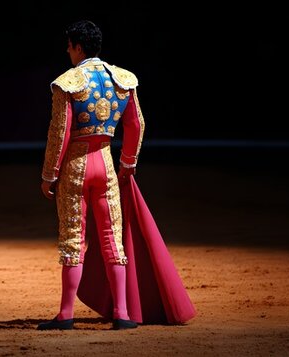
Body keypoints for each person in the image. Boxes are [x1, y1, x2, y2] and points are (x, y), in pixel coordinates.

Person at [37, 20, 196, 330]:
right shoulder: (122, 80)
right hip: (106, 165)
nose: (67, 52)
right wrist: (127, 164)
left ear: (78, 47)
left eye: (69, 46)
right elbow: (136, 124)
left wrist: (49, 174)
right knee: (113, 239)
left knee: (73, 238)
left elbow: (61, 132)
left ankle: (66, 315)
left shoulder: (67, 82)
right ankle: (122, 313)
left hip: (76, 167)